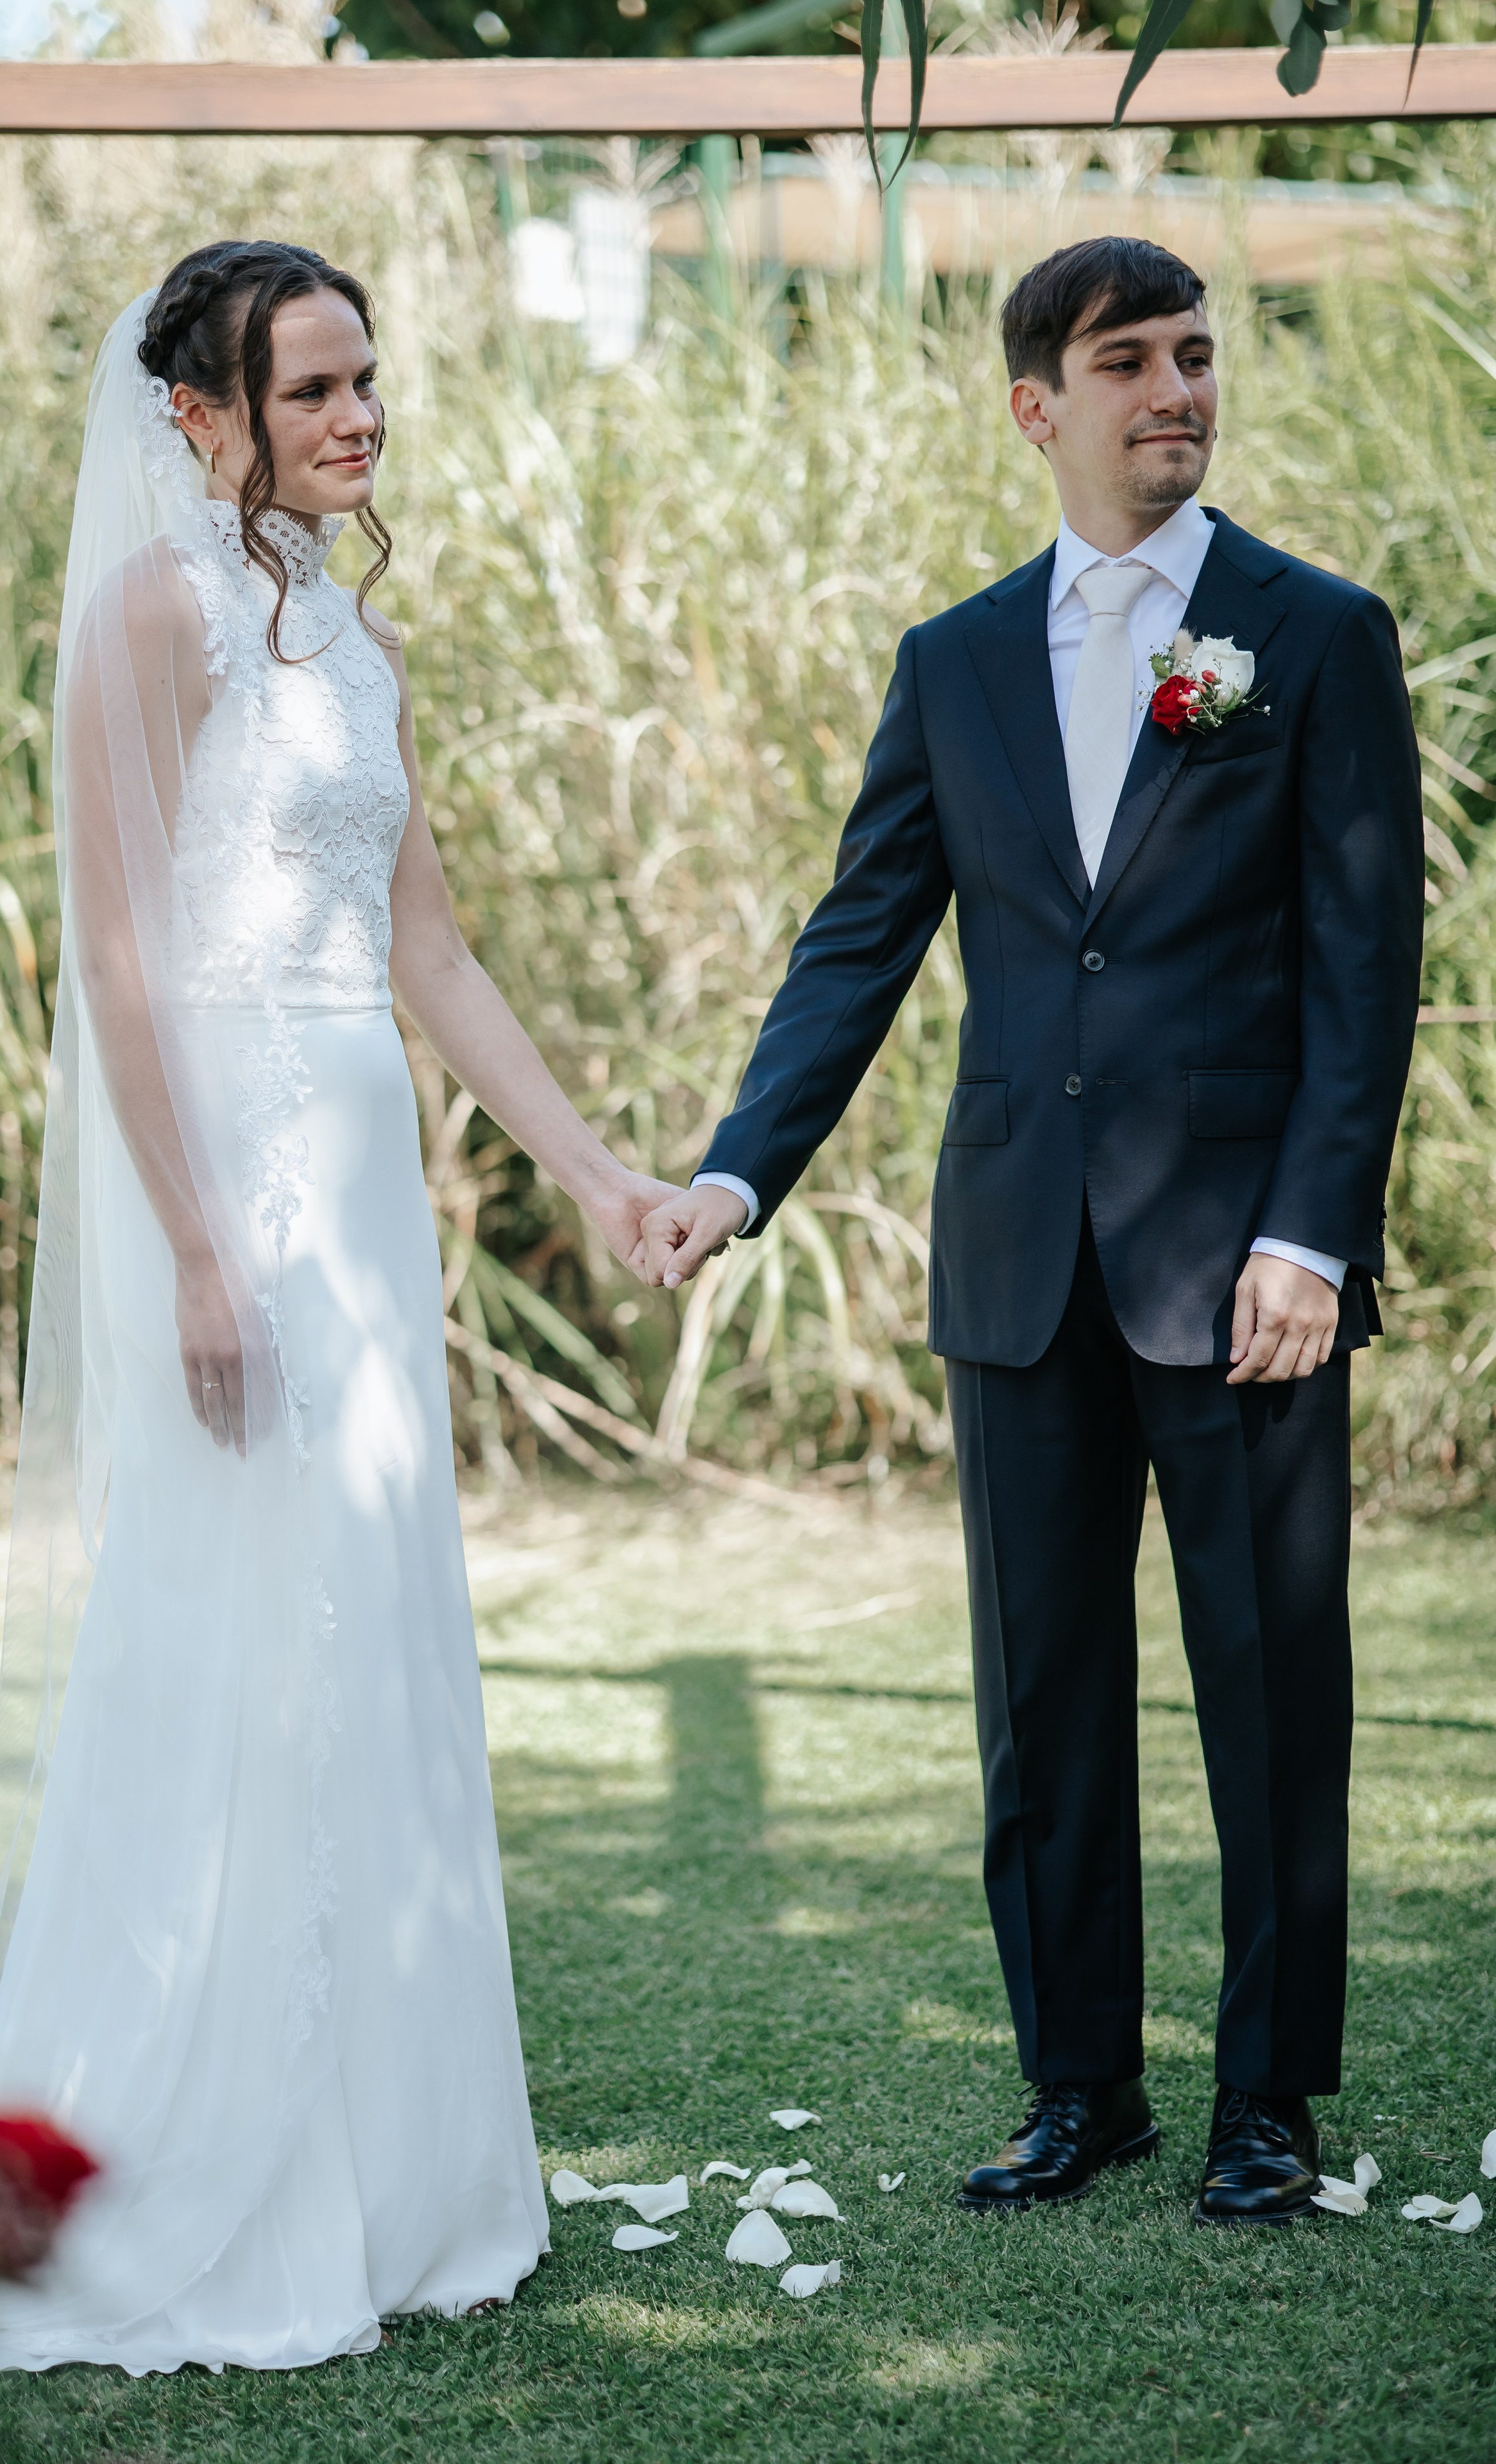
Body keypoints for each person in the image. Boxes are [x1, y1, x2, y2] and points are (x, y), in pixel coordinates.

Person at [641, 237, 1422, 2226]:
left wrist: (1312, 1241)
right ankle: (1081, 2089)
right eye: (1130, 362)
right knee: (1043, 1706)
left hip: (1239, 1270)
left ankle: (1270, 2106)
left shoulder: (1314, 636)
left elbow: (1366, 970)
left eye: (1197, 356)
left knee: (1274, 1699)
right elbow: (860, 945)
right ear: (1035, 407)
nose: (1179, 389)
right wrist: (741, 1170)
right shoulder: (956, 659)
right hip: (1017, 1264)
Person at [0, 241, 679, 2372]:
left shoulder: (353, 636)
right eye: (314, 391)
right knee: (239, 1642)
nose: (360, 420)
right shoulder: (150, 620)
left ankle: (404, 2168)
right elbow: (114, 967)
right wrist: (191, 1241)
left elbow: (430, 957)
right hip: (241, 1202)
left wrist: (602, 1173)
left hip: (369, 1205)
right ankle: (210, 2153)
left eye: (369, 383)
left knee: (376, 1622)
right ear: (206, 416)